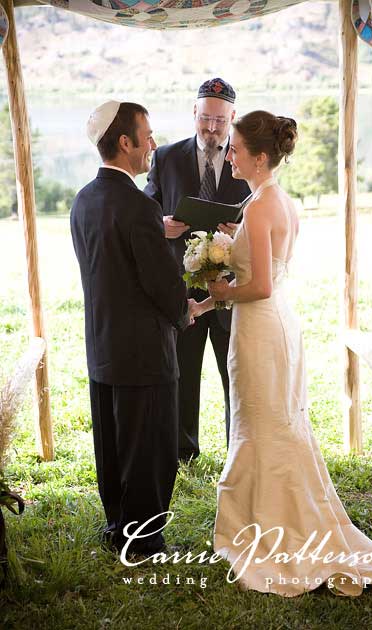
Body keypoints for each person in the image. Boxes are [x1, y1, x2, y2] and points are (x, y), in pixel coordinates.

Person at [191, 111, 372, 596]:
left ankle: (275, 530)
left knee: (264, 423)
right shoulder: (272, 200)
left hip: (262, 326)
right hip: (276, 325)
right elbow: (268, 265)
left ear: (260, 157)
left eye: (237, 149)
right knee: (272, 419)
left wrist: (220, 293)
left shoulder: (262, 205)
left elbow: (260, 285)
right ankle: (271, 515)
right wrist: (222, 266)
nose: (230, 154)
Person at [71, 101, 192, 555]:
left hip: (102, 348)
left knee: (112, 445)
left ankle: (117, 525)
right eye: (148, 135)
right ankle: (143, 540)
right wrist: (185, 311)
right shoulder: (141, 207)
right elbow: (162, 284)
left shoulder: (83, 199)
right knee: (150, 448)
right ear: (126, 143)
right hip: (144, 353)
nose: (154, 145)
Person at [144, 78, 250, 462]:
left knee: (233, 376)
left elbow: (259, 214)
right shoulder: (166, 157)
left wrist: (243, 231)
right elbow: (144, 210)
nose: (211, 128)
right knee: (183, 377)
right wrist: (161, 223)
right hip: (182, 290)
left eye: (220, 122)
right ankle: (184, 451)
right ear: (194, 113)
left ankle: (235, 449)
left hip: (232, 287)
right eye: (205, 119)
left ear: (232, 117)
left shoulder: (246, 157)